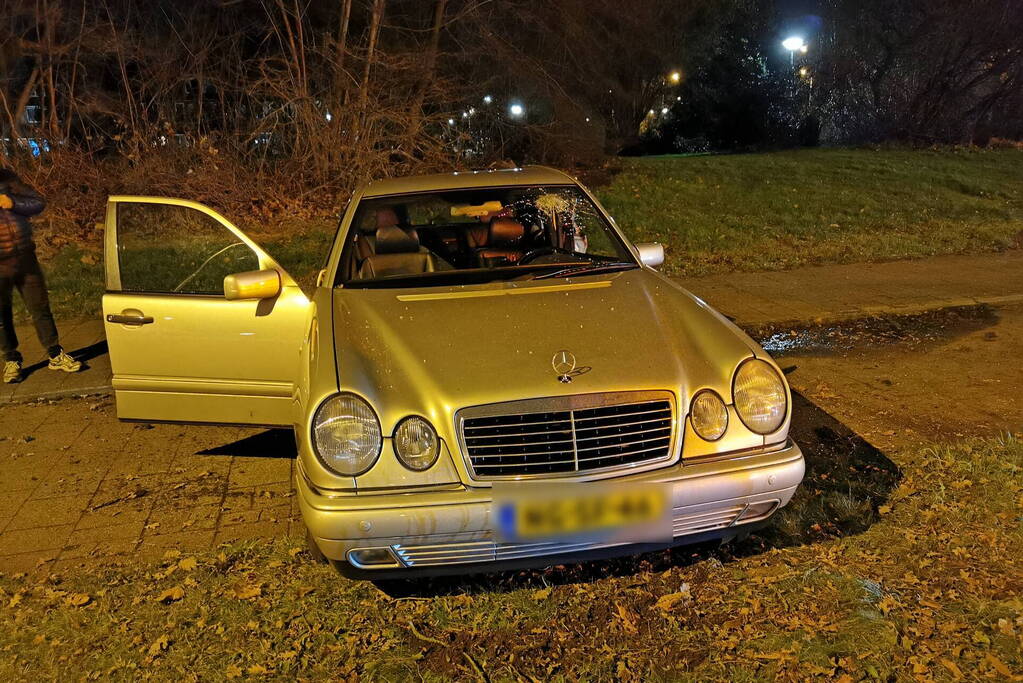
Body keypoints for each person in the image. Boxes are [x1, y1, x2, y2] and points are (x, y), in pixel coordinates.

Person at [0, 168, 81, 383]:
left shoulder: (8, 179)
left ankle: (55, 354)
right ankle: (11, 360)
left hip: (25, 257)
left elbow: (38, 202)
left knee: (40, 307)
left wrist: (13, 203)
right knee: (1, 314)